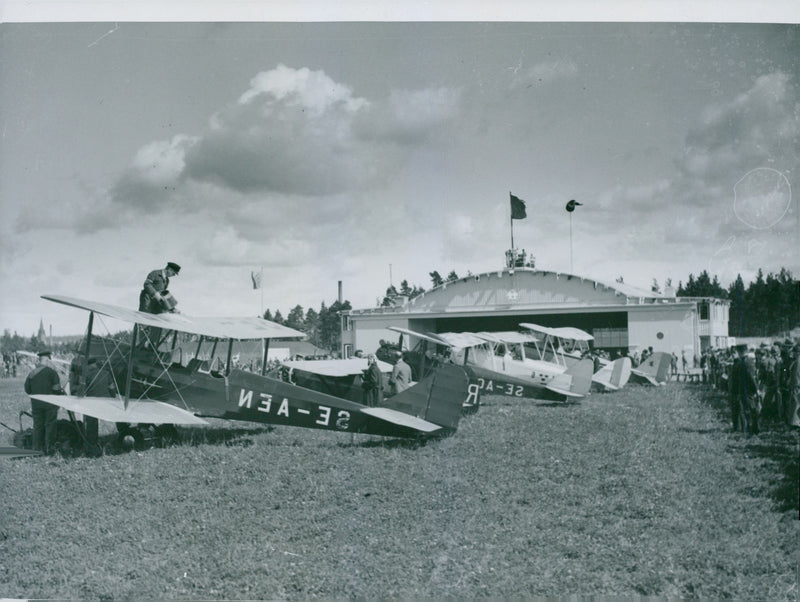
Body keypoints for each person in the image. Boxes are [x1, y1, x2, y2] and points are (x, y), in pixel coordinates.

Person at [24, 350, 63, 454]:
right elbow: (57, 389)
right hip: (50, 405)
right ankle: (49, 449)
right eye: (50, 360)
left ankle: (36, 449)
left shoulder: (32, 373)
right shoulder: (52, 372)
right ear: (47, 360)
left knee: (37, 426)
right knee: (50, 426)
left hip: (36, 404)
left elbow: (27, 389)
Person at [82, 357, 116, 455]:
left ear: (89, 365)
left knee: (92, 425)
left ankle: (92, 446)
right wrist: (112, 397)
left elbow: (82, 390)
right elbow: (112, 387)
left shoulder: (86, 375)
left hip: (92, 402)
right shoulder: (106, 373)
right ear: (96, 364)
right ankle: (111, 444)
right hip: (105, 400)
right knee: (109, 422)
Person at [728, 344, 760, 435]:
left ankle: (754, 429)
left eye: (738, 352)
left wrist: (756, 389)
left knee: (751, 410)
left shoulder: (745, 362)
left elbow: (751, 377)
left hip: (747, 390)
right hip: (745, 390)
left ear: (741, 352)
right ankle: (749, 429)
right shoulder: (745, 362)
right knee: (748, 410)